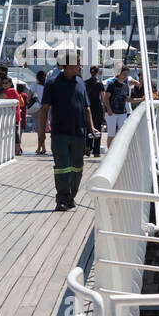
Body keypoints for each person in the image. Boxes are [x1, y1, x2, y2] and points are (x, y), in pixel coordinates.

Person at [39, 48, 94, 211]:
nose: (80, 66)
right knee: (62, 166)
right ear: (68, 65)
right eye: (78, 63)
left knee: (77, 168)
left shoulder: (81, 84)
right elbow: (44, 109)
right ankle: (62, 199)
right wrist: (42, 132)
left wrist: (92, 127)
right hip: (59, 133)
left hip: (79, 133)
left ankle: (71, 196)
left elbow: (87, 108)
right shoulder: (52, 83)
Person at [102, 64, 132, 143]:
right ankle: (110, 152)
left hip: (122, 112)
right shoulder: (112, 85)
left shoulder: (126, 86)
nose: (125, 76)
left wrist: (141, 99)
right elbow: (105, 98)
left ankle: (118, 150)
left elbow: (128, 100)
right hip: (112, 113)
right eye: (124, 74)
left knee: (122, 133)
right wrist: (108, 109)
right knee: (111, 134)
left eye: (126, 74)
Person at [84, 65, 105, 157]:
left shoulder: (85, 83)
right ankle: (96, 151)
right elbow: (103, 99)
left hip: (88, 107)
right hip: (98, 108)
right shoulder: (100, 84)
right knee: (97, 128)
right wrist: (104, 111)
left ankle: (88, 147)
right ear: (97, 73)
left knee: (88, 127)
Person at [32, 70, 48, 154]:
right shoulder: (48, 86)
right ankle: (43, 147)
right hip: (47, 108)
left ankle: (39, 148)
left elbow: (29, 97)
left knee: (39, 130)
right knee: (43, 130)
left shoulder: (35, 85)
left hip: (38, 109)